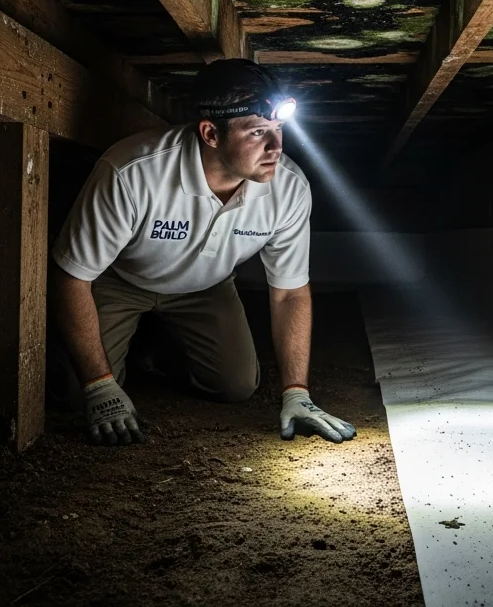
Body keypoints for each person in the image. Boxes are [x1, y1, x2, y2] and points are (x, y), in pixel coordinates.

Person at [49, 58, 356, 447]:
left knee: (237, 384)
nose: (276, 147)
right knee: (76, 395)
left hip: (205, 287)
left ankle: (159, 349)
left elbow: (290, 292)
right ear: (211, 133)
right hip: (120, 279)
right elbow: (71, 276)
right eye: (259, 132)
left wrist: (297, 392)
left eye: (279, 130)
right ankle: (117, 355)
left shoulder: (289, 189)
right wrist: (99, 386)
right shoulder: (133, 171)